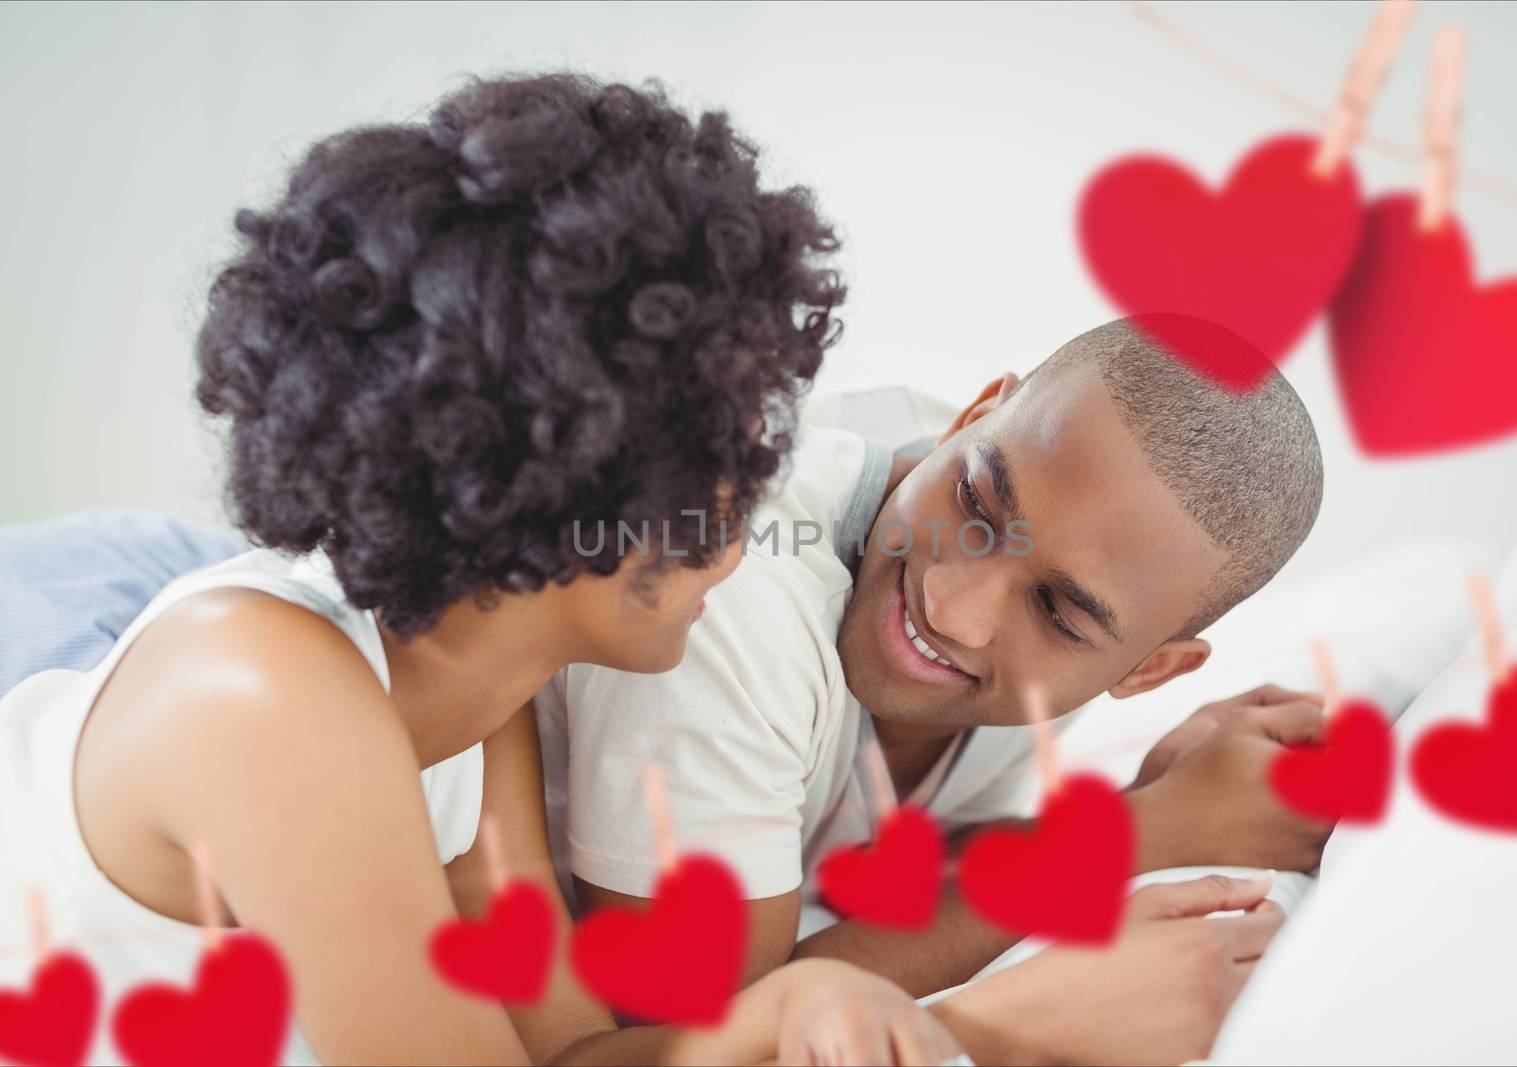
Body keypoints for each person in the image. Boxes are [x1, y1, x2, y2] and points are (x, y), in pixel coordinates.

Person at [0, 72, 964, 1066]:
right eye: (718, 460)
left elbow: (561, 1052)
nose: (746, 514)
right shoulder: (264, 694)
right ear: (569, 484)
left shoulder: (473, 705)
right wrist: (1014, 1018)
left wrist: (787, 1007)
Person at [536, 314, 1334, 1061]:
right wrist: (1143, 837)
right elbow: (731, 1032)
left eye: (1056, 612)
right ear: (973, 416)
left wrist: (1157, 794)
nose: (953, 606)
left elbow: (903, 863)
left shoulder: (1068, 582)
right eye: (977, 507)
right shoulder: (732, 597)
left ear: (1146, 670)